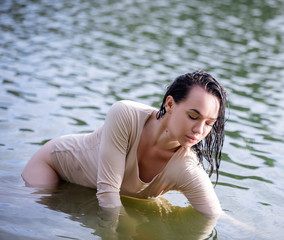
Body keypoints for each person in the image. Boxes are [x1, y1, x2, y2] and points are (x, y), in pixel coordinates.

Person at [22, 70, 227, 217]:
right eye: (193, 116)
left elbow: (214, 215)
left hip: (87, 190)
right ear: (170, 104)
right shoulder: (126, 115)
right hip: (53, 165)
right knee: (30, 217)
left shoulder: (187, 168)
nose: (200, 131)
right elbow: (108, 194)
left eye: (209, 123)